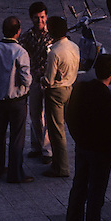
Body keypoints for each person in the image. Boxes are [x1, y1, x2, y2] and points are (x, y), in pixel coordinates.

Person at [65, 53, 111, 221]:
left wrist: (78, 137)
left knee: (79, 185)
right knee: (96, 192)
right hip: (100, 152)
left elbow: (69, 115)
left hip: (83, 146)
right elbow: (110, 131)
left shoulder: (81, 89)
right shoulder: (108, 99)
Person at [0, 16, 33, 184]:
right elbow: (26, 79)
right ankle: (15, 173)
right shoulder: (20, 52)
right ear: (18, 31)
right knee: (17, 137)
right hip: (17, 100)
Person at [42, 16, 79, 178]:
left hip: (56, 92)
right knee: (62, 128)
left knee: (57, 131)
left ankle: (61, 167)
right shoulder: (74, 47)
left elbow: (49, 80)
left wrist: (41, 78)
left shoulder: (54, 52)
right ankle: (58, 164)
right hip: (69, 87)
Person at [20, 1, 53, 164]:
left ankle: (47, 150)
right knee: (34, 114)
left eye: (42, 17)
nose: (39, 20)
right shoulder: (26, 37)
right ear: (31, 18)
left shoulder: (52, 35)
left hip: (49, 80)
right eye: (36, 18)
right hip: (33, 79)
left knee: (47, 115)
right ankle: (36, 146)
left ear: (46, 17)